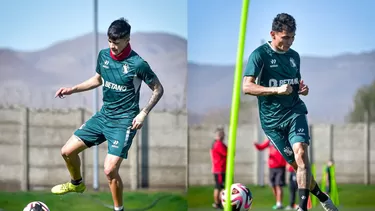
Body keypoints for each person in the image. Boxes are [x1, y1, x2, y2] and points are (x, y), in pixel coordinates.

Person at [51, 18, 164, 211]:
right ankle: (76, 184)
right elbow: (98, 79)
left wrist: (143, 113)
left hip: (124, 122)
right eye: (110, 41)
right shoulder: (104, 56)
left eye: (117, 42)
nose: (112, 46)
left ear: (127, 39)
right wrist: (72, 89)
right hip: (104, 116)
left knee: (109, 169)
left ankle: (118, 209)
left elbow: (158, 89)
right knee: (66, 151)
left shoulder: (138, 64)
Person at [242, 13, 338, 211]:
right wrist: (274, 90)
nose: (289, 42)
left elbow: (296, 85)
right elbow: (247, 87)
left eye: (292, 37)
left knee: (301, 155)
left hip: (294, 112)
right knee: (299, 167)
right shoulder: (259, 55)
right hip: (272, 122)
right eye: (285, 37)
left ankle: (301, 208)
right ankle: (321, 195)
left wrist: (303, 90)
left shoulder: (294, 56)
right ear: (273, 34)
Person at [254, 138, 286, 210]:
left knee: (278, 185)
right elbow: (261, 147)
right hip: (272, 167)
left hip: (280, 167)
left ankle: (279, 203)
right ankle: (277, 202)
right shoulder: (270, 140)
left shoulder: (282, 139)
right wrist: (256, 145)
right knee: (273, 185)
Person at [210, 127, 228, 209]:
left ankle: (218, 203)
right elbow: (227, 153)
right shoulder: (219, 144)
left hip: (218, 169)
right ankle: (218, 203)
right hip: (220, 170)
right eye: (222, 134)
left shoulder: (216, 144)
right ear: (219, 135)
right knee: (220, 187)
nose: (224, 135)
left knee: (219, 186)